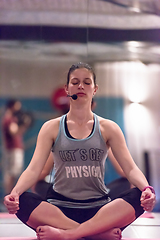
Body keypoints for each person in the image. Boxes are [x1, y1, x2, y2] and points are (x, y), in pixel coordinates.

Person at [4, 62, 156, 240]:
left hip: (99, 208)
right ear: (67, 89)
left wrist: (146, 189)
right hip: (59, 208)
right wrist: (15, 193)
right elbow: (34, 169)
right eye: (75, 82)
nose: (81, 86)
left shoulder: (109, 128)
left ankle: (69, 234)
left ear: (95, 89)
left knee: (138, 195)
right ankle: (96, 233)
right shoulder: (51, 128)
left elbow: (130, 169)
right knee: (22, 201)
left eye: (86, 82)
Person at [1, 99, 31, 195]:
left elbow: (17, 132)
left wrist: (24, 126)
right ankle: (9, 196)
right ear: (12, 106)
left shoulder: (11, 118)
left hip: (13, 149)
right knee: (11, 173)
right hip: (12, 149)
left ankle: (9, 195)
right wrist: (24, 124)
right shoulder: (9, 118)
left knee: (13, 172)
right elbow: (13, 132)